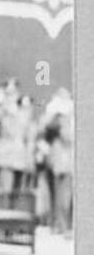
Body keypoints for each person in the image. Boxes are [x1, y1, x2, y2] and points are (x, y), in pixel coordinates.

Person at [39, 88, 73, 237]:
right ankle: (61, 225)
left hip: (60, 161)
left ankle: (59, 225)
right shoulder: (59, 118)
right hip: (62, 162)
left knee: (60, 194)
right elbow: (67, 138)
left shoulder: (54, 118)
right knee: (62, 195)